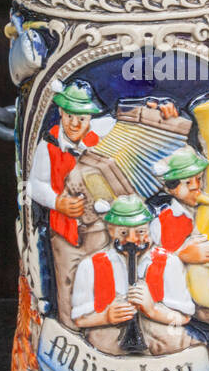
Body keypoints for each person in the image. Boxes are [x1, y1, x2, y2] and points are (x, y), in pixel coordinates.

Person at [27, 80, 116, 325]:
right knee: (67, 281)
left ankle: (102, 330)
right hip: (66, 233)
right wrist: (58, 202)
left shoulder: (100, 133)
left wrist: (157, 112)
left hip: (98, 230)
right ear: (60, 114)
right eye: (69, 117)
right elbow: (34, 185)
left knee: (102, 278)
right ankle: (67, 330)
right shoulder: (49, 146)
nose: (75, 124)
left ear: (90, 119)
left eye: (82, 119)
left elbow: (125, 120)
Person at [70, 195, 194, 356]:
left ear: (150, 229)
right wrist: (106, 317)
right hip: (108, 345)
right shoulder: (90, 267)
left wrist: (153, 311)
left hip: (158, 344)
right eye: (123, 232)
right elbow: (80, 320)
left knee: (176, 337)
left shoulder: (169, 264)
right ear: (110, 230)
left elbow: (183, 318)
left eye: (140, 231)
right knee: (98, 337)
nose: (132, 239)